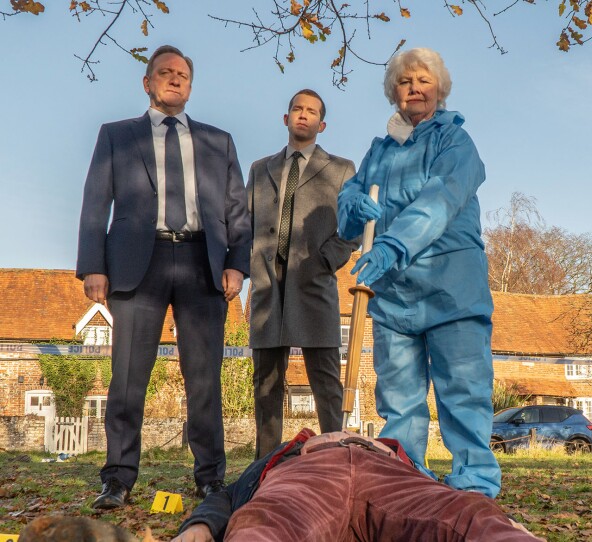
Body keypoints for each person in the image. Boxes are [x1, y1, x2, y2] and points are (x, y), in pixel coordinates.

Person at [75, 45, 251, 509]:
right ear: (147, 82)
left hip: (202, 264)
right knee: (128, 376)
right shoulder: (117, 136)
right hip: (137, 263)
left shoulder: (219, 141)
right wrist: (93, 265)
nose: (175, 79)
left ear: (190, 86)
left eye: (183, 75)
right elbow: (96, 201)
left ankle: (211, 478)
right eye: (165, 73)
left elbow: (238, 210)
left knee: (204, 378)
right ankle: (117, 479)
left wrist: (237, 263)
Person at [336, 48, 500, 497]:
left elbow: (440, 200)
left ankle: (473, 487)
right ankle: (408, 486)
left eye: (424, 80)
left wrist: (392, 244)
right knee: (399, 401)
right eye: (405, 81)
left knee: (463, 391)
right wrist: (348, 206)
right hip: (393, 295)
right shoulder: (379, 151)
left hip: (452, 287)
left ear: (440, 89)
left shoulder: (455, 142)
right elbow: (352, 208)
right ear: (394, 92)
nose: (414, 88)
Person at [169, 434, 592, 542]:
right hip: (308, 477)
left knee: (470, 515)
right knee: (263, 523)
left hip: (391, 478)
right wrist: (198, 526)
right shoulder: (288, 449)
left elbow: (444, 500)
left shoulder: (395, 450)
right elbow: (229, 497)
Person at [246, 89, 358, 458]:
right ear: (286, 118)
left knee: (326, 381)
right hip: (266, 286)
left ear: (322, 124)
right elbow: (243, 223)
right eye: (297, 108)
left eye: (312, 111)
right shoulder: (260, 169)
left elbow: (354, 227)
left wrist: (326, 260)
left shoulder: (341, 169)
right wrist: (243, 264)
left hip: (314, 283)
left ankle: (337, 460)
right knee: (266, 383)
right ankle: (264, 465)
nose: (303, 115)